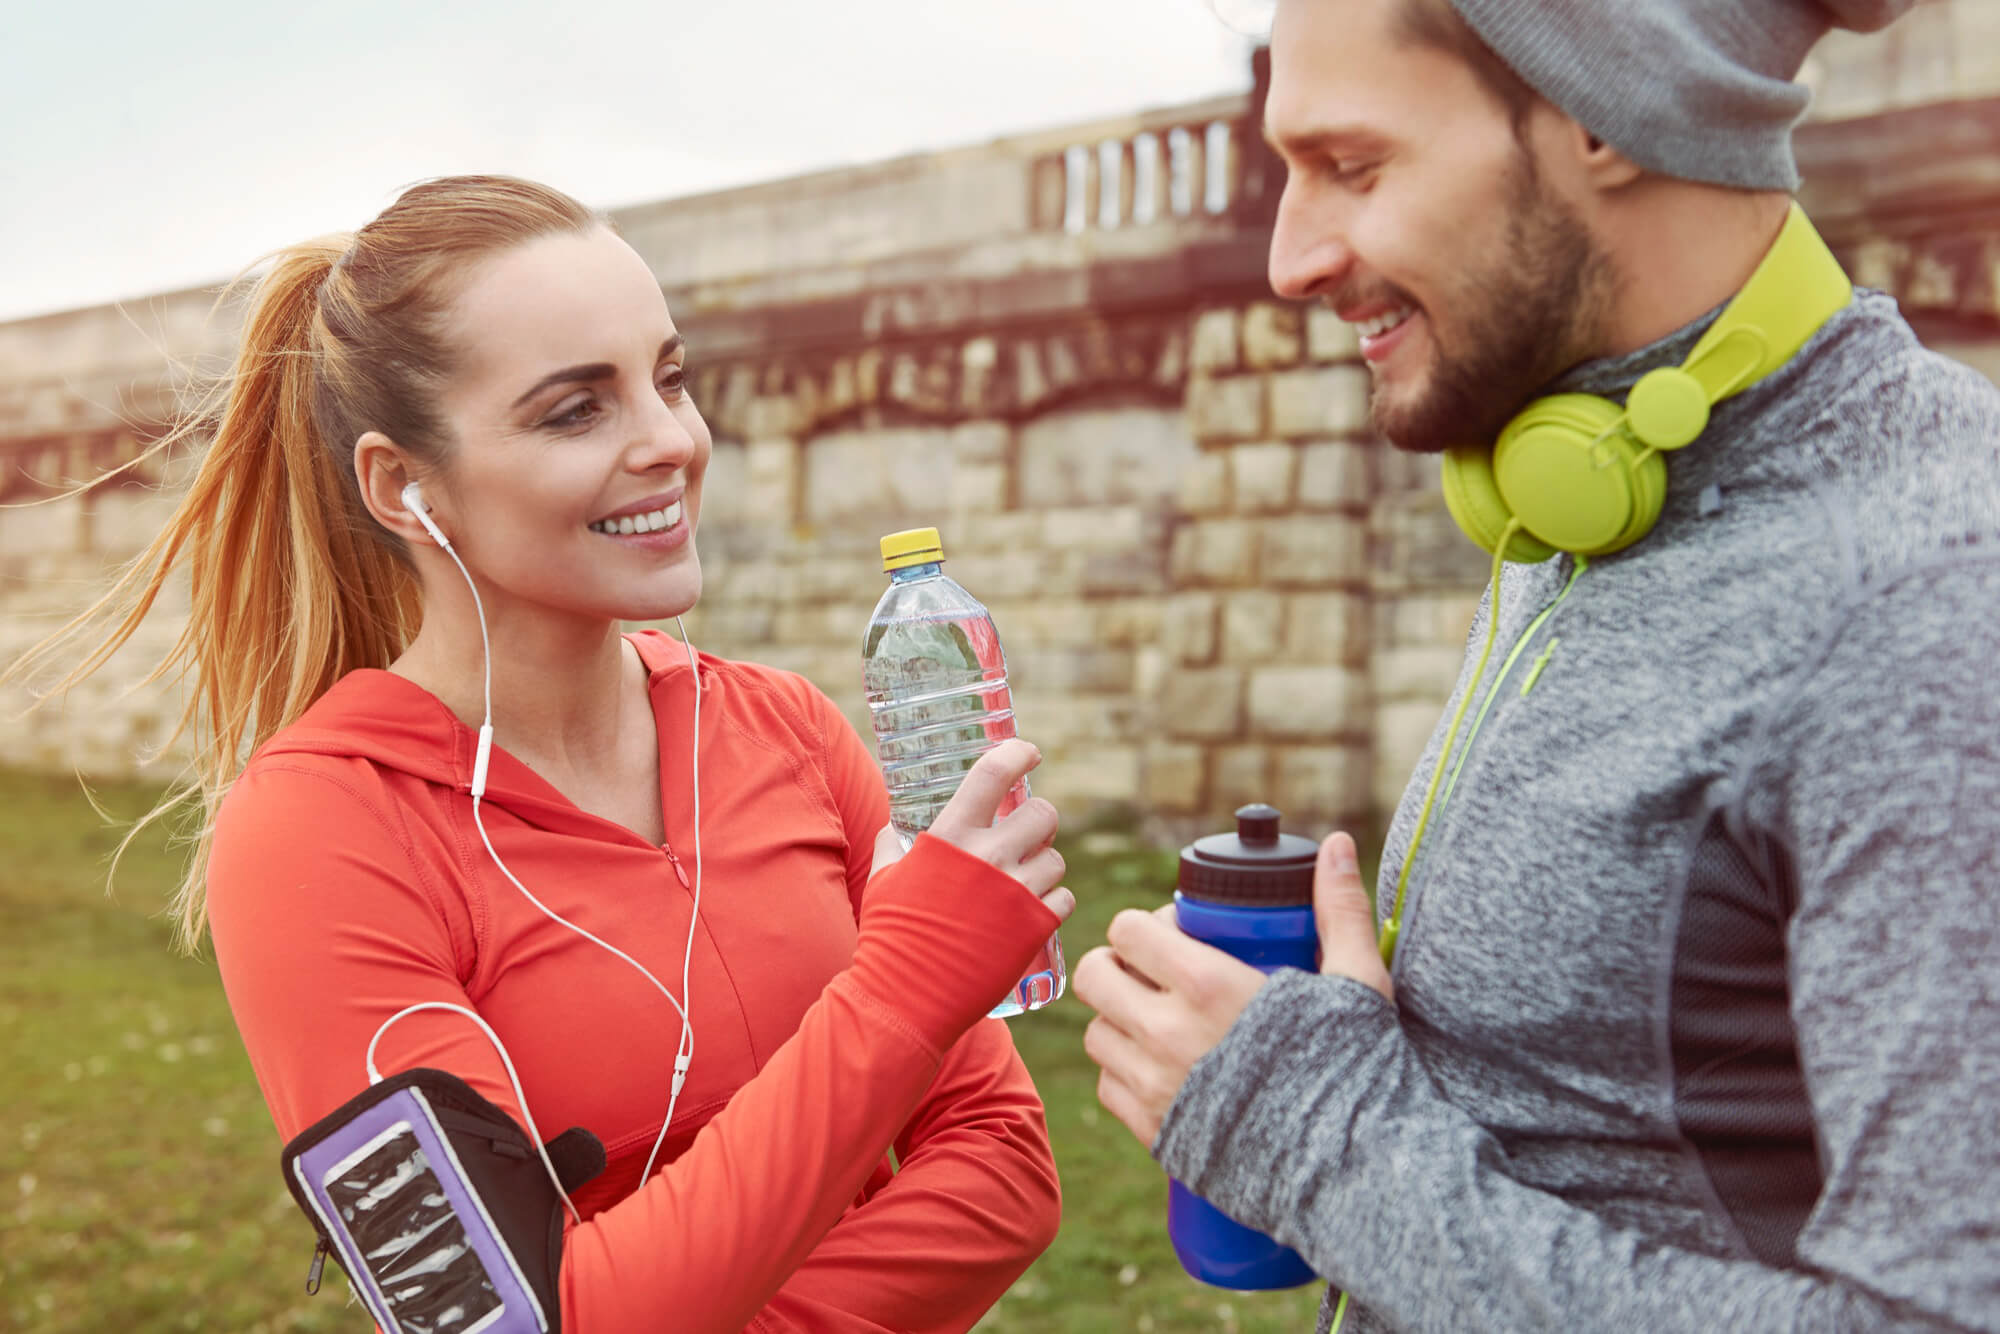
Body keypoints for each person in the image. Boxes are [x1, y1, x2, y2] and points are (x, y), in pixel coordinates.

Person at [1075, 0, 2000, 1330]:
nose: (1288, 256)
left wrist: (1319, 1135)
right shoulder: (1569, 477)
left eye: (1354, 165)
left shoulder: (1924, 604)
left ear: (1601, 111)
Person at [16, 175, 1073, 1332]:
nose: (669, 440)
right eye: (577, 409)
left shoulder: (790, 729)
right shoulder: (315, 833)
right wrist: (909, 979)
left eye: (668, 378)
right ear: (402, 488)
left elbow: (1003, 1168)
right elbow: (508, 1318)